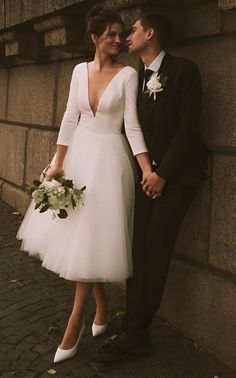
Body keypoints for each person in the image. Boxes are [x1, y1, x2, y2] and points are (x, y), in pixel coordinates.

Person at [17, 5, 153, 364]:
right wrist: (57, 162)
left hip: (110, 163)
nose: (118, 38)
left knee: (92, 236)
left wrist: (146, 168)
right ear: (93, 37)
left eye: (120, 33)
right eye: (110, 33)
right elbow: (69, 117)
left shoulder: (127, 74)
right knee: (80, 237)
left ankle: (73, 323)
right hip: (78, 157)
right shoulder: (79, 71)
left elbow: (132, 125)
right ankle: (102, 306)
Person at [95, 11, 208, 362]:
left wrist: (164, 174)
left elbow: (188, 129)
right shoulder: (136, 77)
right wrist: (146, 173)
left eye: (134, 30)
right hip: (146, 178)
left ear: (151, 32)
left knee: (156, 248)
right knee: (137, 250)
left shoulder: (185, 70)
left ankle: (135, 334)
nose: (127, 37)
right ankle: (133, 323)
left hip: (178, 177)